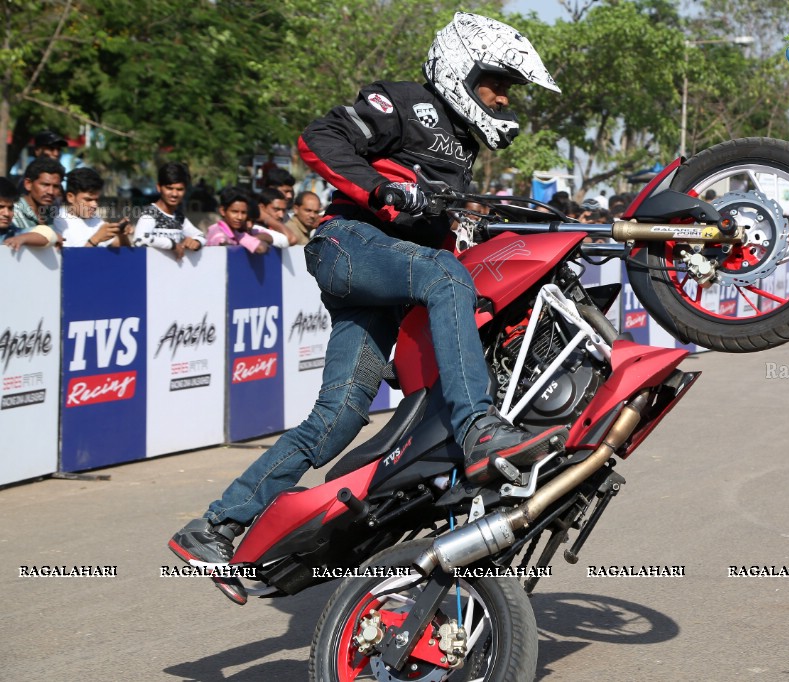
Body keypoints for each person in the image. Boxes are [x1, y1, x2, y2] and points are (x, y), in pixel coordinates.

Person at [168, 12, 566, 600]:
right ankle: (479, 428)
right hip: (349, 244)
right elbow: (318, 139)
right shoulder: (405, 101)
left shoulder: (461, 143)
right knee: (446, 277)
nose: (504, 97)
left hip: (386, 276)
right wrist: (382, 189)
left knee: (338, 419)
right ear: (462, 68)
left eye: (510, 88)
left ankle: (215, 526)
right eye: (497, 82)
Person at [133, 162, 206, 259]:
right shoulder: (151, 214)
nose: (174, 194)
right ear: (159, 188)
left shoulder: (179, 218)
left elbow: (201, 235)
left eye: (180, 189)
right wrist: (172, 245)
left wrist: (196, 242)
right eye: (169, 188)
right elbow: (139, 240)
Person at [54, 168, 134, 248]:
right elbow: (72, 259)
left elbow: (123, 250)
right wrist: (96, 239)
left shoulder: (96, 220)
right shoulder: (59, 222)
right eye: (88, 199)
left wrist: (121, 234)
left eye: (96, 200)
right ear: (70, 197)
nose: (94, 205)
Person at [206, 186, 289, 253]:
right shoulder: (217, 232)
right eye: (234, 212)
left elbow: (262, 247)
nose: (239, 217)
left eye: (243, 213)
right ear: (223, 211)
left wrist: (249, 239)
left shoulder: (238, 234)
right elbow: (223, 246)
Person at [4, 158, 63, 250]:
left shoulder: (52, 214)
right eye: (45, 185)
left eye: (56, 186)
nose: (51, 191)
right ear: (28, 184)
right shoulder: (11, 213)